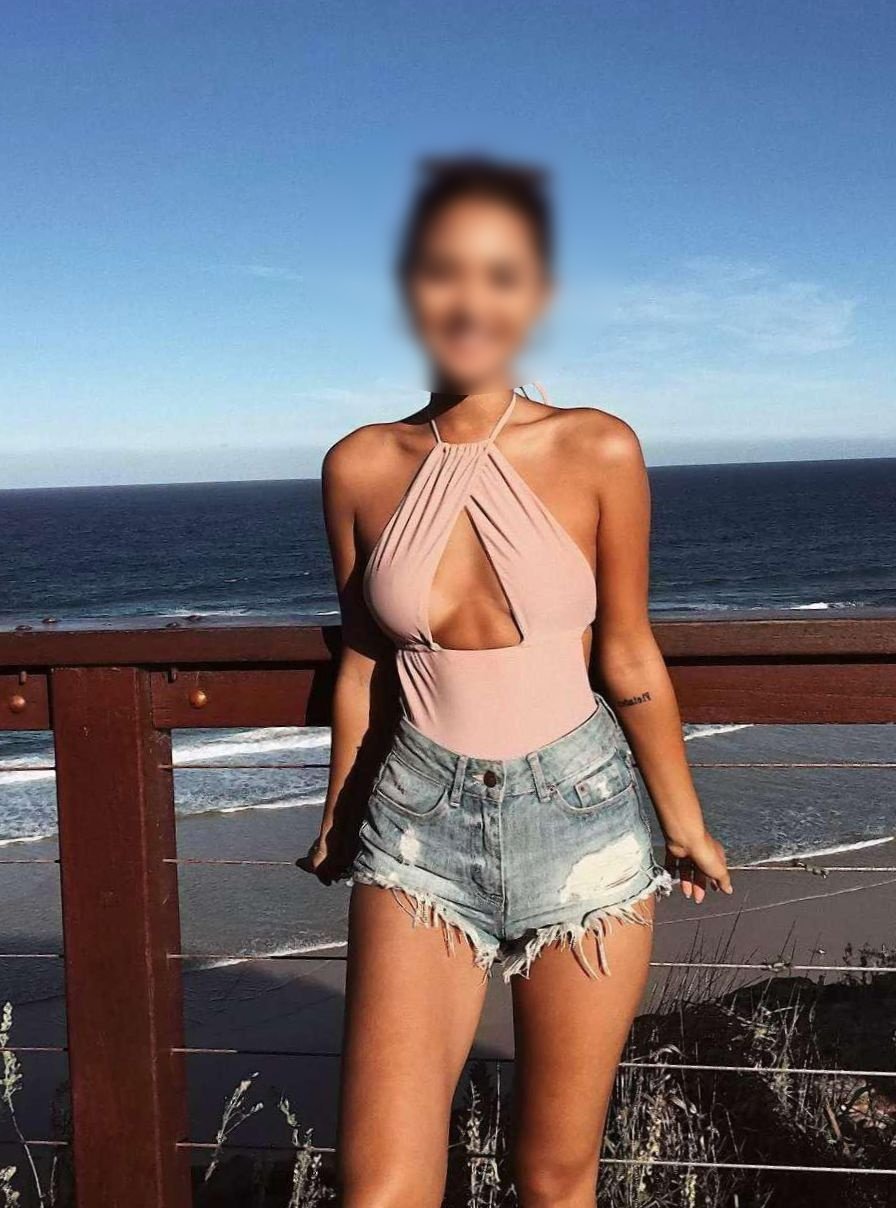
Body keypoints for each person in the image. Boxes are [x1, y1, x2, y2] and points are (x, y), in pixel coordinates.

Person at [299, 155, 732, 1208]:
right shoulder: (358, 465)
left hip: (585, 822)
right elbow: (364, 661)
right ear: (412, 289)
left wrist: (684, 822)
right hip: (414, 827)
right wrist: (339, 812)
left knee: (553, 1175)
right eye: (444, 272)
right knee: (379, 1186)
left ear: (534, 297)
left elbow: (627, 653)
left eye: (500, 276)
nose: (470, 302)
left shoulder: (598, 448)